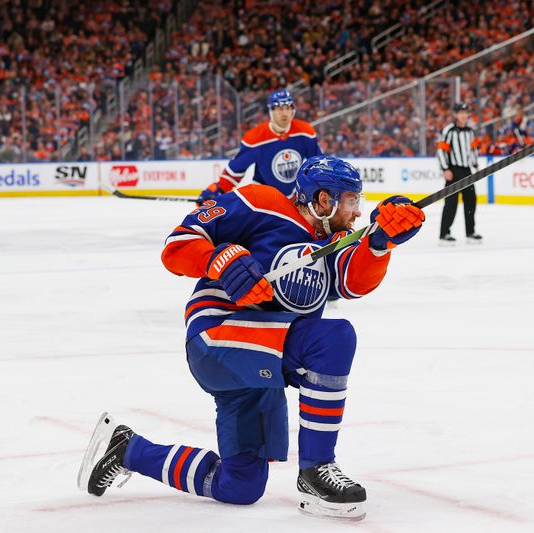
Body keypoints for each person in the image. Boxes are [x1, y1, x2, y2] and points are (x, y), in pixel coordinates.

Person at [78, 156, 425, 521]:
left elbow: (352, 283)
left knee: (239, 485)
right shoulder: (262, 202)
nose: (357, 212)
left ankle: (128, 449)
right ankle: (316, 470)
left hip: (261, 359)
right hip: (218, 334)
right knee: (333, 337)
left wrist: (379, 243)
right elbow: (178, 245)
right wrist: (219, 259)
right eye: (352, 201)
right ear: (324, 199)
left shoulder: (335, 242)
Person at [196, 89, 323, 203]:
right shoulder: (255, 138)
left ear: (293, 110)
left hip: (295, 198)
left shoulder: (305, 132)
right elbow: (235, 172)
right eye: (279, 109)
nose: (285, 113)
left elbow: (318, 164)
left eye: (288, 108)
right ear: (271, 111)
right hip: (264, 199)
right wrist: (217, 189)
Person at [436, 102, 481, 244]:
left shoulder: (470, 131)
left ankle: (470, 232)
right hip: (453, 170)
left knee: (471, 201)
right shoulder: (449, 130)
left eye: (465, 112)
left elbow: (473, 150)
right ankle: (444, 233)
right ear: (455, 115)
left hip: (467, 170)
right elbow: (441, 150)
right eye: (460, 112)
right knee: (451, 203)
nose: (463, 115)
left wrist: (475, 165)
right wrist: (445, 169)